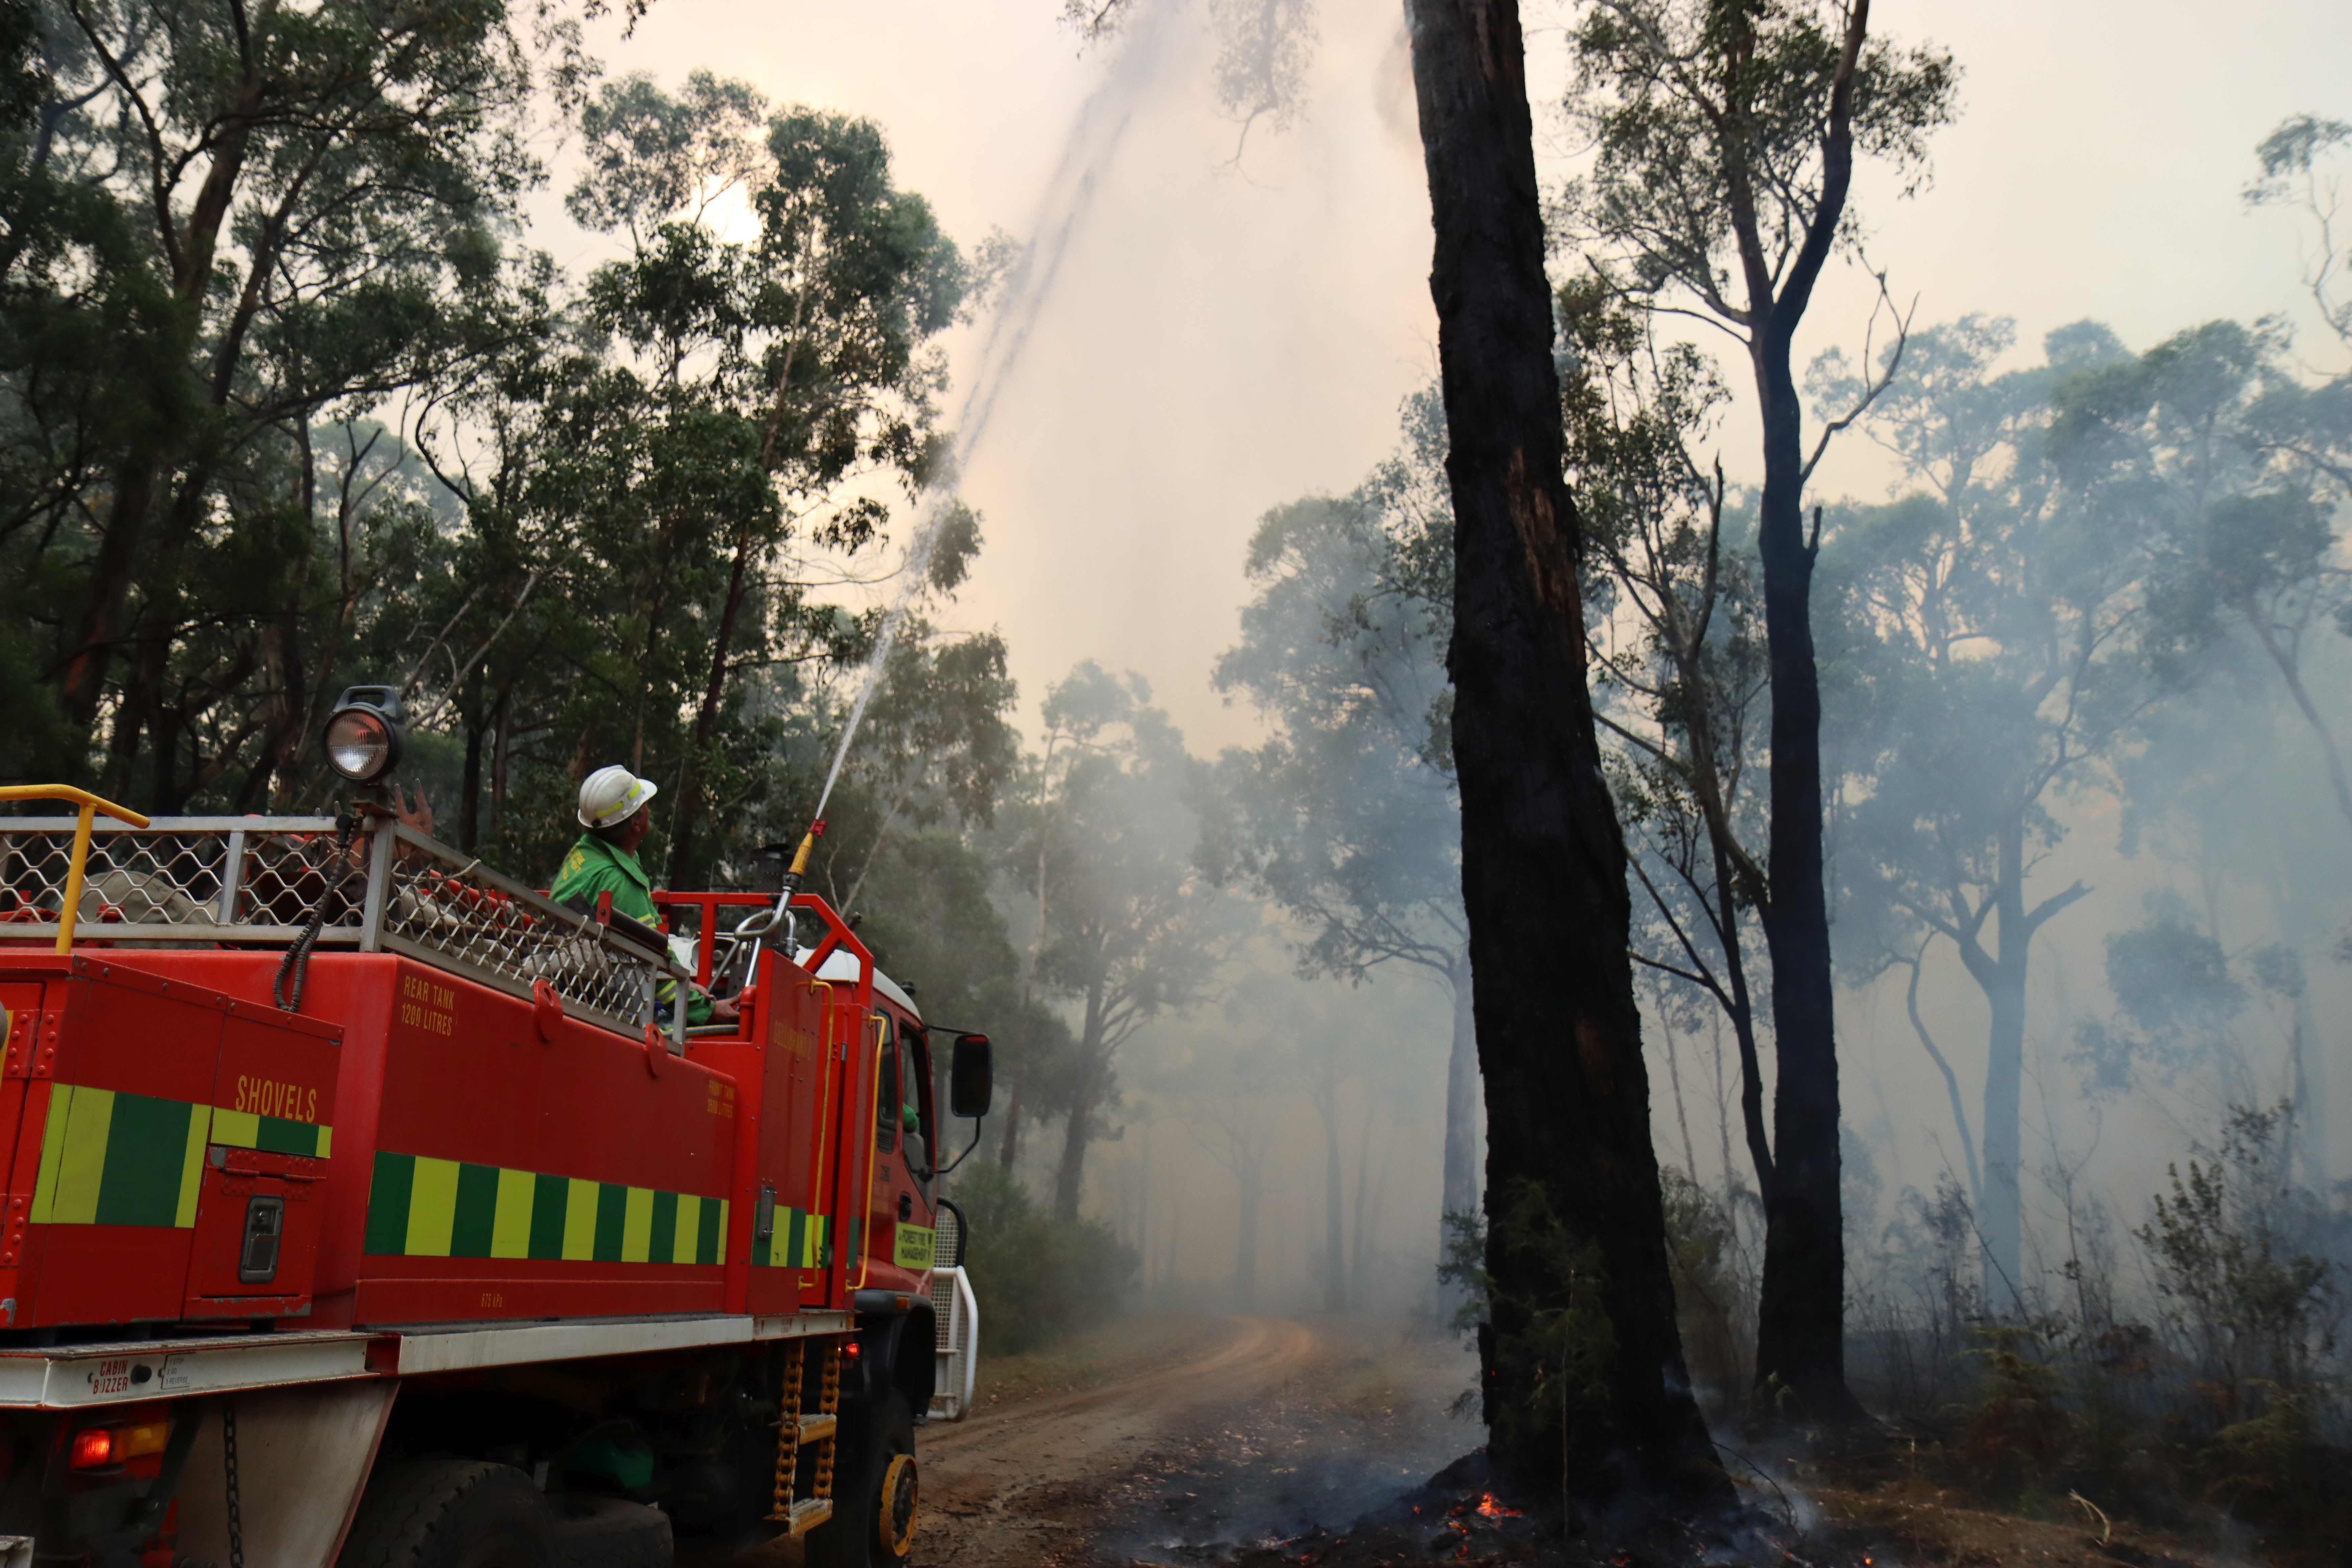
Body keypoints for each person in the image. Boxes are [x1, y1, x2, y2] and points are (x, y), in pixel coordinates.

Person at [551, 765, 736, 1025]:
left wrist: (685, 981)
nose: (649, 808)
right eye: (645, 805)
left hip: (575, 981)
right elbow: (653, 968)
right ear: (636, 824)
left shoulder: (586, 854)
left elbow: (655, 951)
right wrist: (707, 1011)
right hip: (608, 1005)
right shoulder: (620, 882)